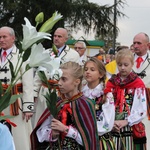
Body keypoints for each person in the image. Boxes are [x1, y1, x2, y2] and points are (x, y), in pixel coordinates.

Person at [31, 61, 99, 150]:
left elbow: (89, 140)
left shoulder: (85, 104)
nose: (59, 83)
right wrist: (53, 134)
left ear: (77, 81)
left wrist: (66, 130)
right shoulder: (57, 102)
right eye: (59, 78)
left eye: (64, 79)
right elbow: (40, 134)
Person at [33, 28, 80, 127]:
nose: (56, 38)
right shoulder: (46, 52)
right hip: (45, 92)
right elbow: (39, 73)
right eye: (55, 36)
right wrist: (34, 93)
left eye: (59, 36)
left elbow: (77, 74)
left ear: (66, 39)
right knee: (41, 122)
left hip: (62, 93)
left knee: (59, 121)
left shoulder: (73, 55)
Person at [105, 49, 147, 149]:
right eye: (119, 65)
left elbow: (142, 109)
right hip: (113, 123)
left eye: (126, 64)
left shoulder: (137, 84)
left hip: (131, 125)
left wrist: (127, 121)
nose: (122, 68)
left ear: (132, 64)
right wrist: (111, 121)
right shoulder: (111, 82)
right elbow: (106, 104)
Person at [0, 26, 34, 150]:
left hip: (15, 102)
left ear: (13, 38)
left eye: (4, 37)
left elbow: (28, 84)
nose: (1, 40)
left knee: (19, 136)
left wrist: (28, 107)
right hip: (0, 101)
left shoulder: (22, 55)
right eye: (0, 37)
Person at [82, 57, 115, 149]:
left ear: (100, 74)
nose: (88, 72)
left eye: (92, 70)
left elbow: (107, 123)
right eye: (86, 69)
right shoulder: (80, 92)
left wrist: (87, 130)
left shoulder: (106, 94)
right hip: (81, 138)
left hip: (99, 139)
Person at [132, 32, 150, 148]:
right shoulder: (125, 60)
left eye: (139, 43)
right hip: (129, 105)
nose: (136, 46)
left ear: (148, 45)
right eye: (134, 43)